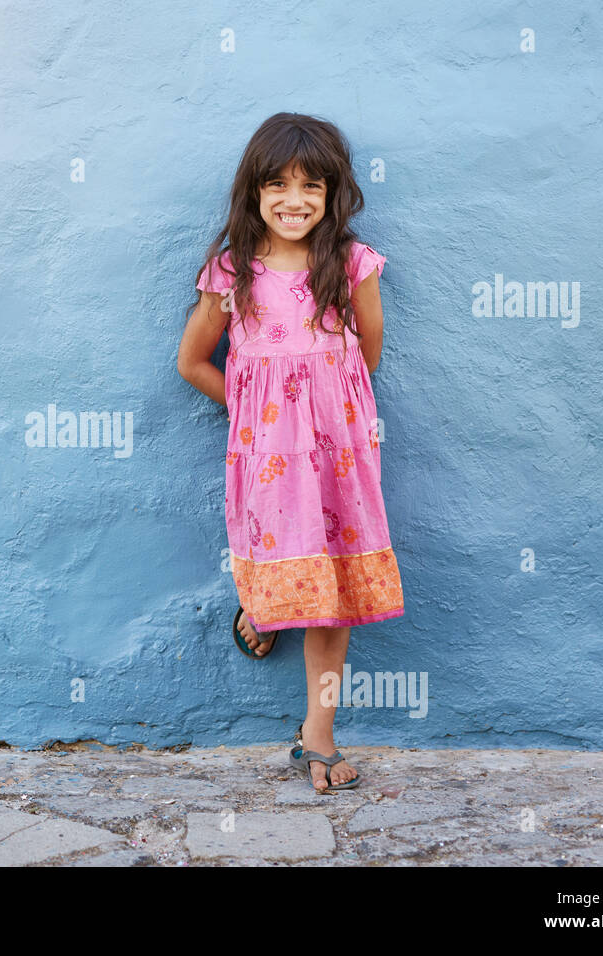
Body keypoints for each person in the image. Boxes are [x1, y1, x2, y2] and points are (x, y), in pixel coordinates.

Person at [176, 113, 405, 793]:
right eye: (277, 183)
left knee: (331, 595)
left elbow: (367, 354)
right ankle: (264, 602)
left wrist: (324, 414)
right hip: (267, 461)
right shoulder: (232, 274)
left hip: (339, 461)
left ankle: (317, 735)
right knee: (278, 562)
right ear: (254, 192)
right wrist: (256, 416)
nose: (294, 199)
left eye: (311, 184)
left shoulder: (352, 266)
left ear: (334, 192)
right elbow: (192, 362)